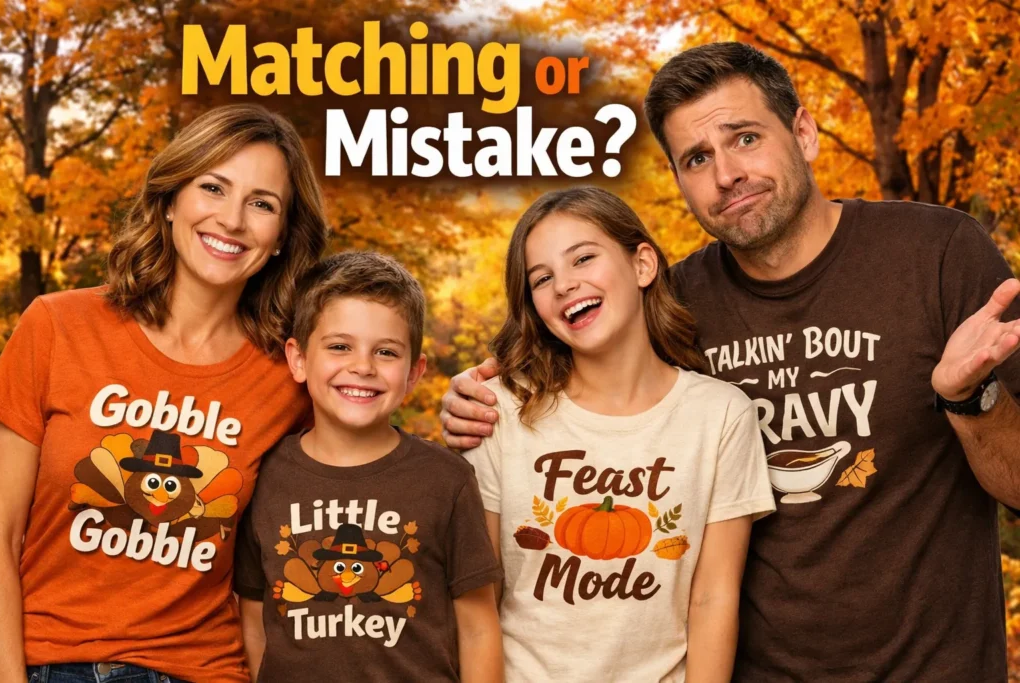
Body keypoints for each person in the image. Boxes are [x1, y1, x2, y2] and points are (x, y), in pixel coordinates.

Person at [441, 43, 1020, 682]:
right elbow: (565, 371)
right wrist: (467, 399)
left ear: (803, 133)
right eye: (696, 158)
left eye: (744, 138)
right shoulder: (669, 306)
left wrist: (971, 400)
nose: (726, 174)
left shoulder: (936, 255)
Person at [0, 104, 328, 683]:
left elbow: (371, 444)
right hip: (48, 662)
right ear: (171, 200)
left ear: (280, 238)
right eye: (213, 187)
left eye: (261, 204)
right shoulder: (56, 325)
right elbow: (0, 529)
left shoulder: (289, 375)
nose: (232, 220)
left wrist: (472, 400)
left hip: (199, 671)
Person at [461, 187, 775, 681]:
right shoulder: (500, 411)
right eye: (542, 278)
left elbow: (713, 597)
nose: (564, 284)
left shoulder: (721, 416)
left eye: (583, 258)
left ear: (643, 264)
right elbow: (479, 600)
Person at [234, 252, 504, 682]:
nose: (362, 367)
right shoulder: (265, 476)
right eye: (340, 346)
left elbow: (477, 628)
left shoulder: (445, 480)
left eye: (386, 351)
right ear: (299, 359)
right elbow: (253, 619)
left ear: (414, 374)